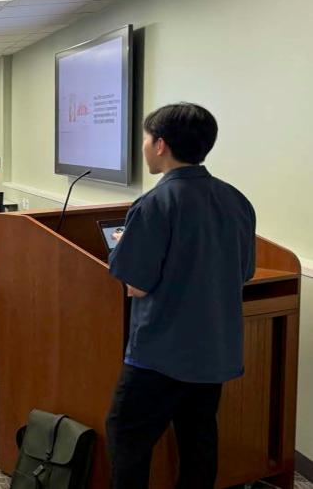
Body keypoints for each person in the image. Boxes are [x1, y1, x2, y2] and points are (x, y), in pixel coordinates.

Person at [105, 103, 256, 489]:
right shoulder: (236, 199)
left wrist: (123, 245)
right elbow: (243, 273)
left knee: (127, 438)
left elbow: (136, 284)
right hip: (213, 352)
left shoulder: (156, 204)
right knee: (199, 441)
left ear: (161, 145)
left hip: (161, 354)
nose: (143, 146)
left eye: (145, 138)